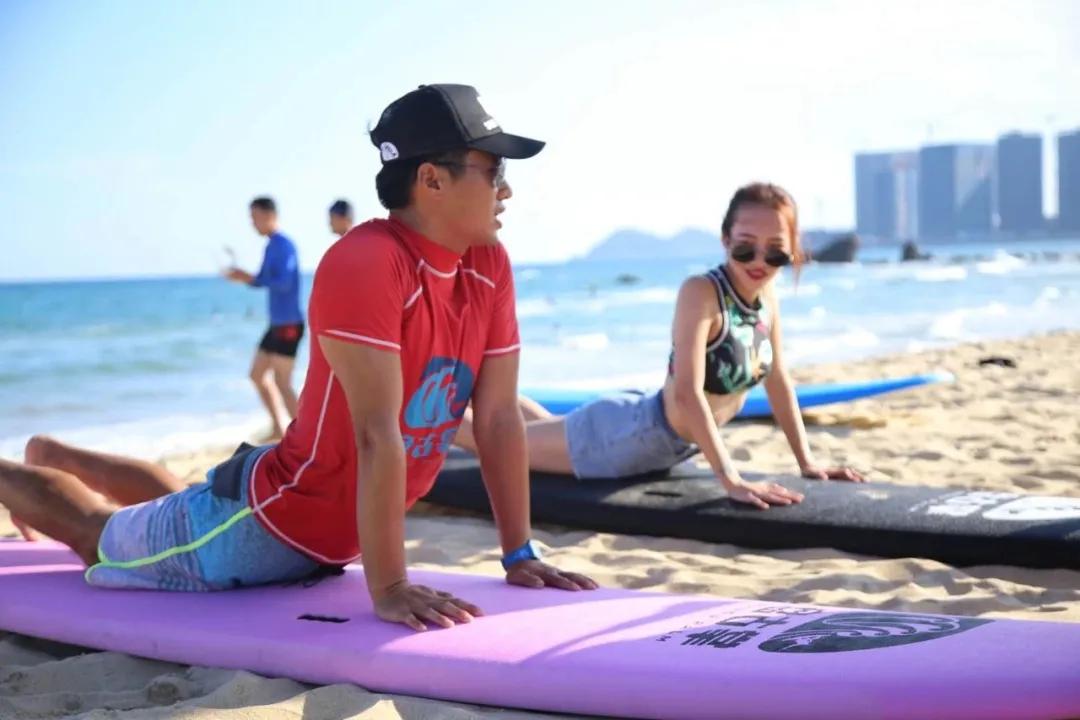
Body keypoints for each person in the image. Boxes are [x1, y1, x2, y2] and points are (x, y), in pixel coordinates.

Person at [0, 83, 594, 633]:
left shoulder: (486, 264)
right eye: (493, 171)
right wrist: (389, 587)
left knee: (183, 497)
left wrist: (518, 551)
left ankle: (56, 454)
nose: (506, 189)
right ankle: (22, 468)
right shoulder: (369, 262)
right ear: (432, 180)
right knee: (96, 534)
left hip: (317, 527)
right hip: (268, 528)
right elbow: (374, 434)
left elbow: (496, 420)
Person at [456, 183, 864, 509]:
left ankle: (455, 388)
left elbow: (778, 379)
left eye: (774, 250)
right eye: (745, 245)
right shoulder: (701, 292)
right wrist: (730, 479)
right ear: (724, 240)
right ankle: (414, 406)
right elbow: (688, 392)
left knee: (528, 430)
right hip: (628, 438)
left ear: (791, 250)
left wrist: (807, 462)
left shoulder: (765, 296)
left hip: (644, 433)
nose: (759, 260)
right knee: (491, 442)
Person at [224, 198, 305, 440]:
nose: (252, 223)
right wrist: (245, 278)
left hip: (289, 323)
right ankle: (279, 428)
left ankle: (306, 433)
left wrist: (251, 278)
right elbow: (262, 279)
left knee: (282, 381)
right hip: (277, 323)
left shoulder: (285, 245)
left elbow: (284, 282)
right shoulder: (270, 246)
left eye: (254, 217)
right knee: (257, 374)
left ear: (269, 215)